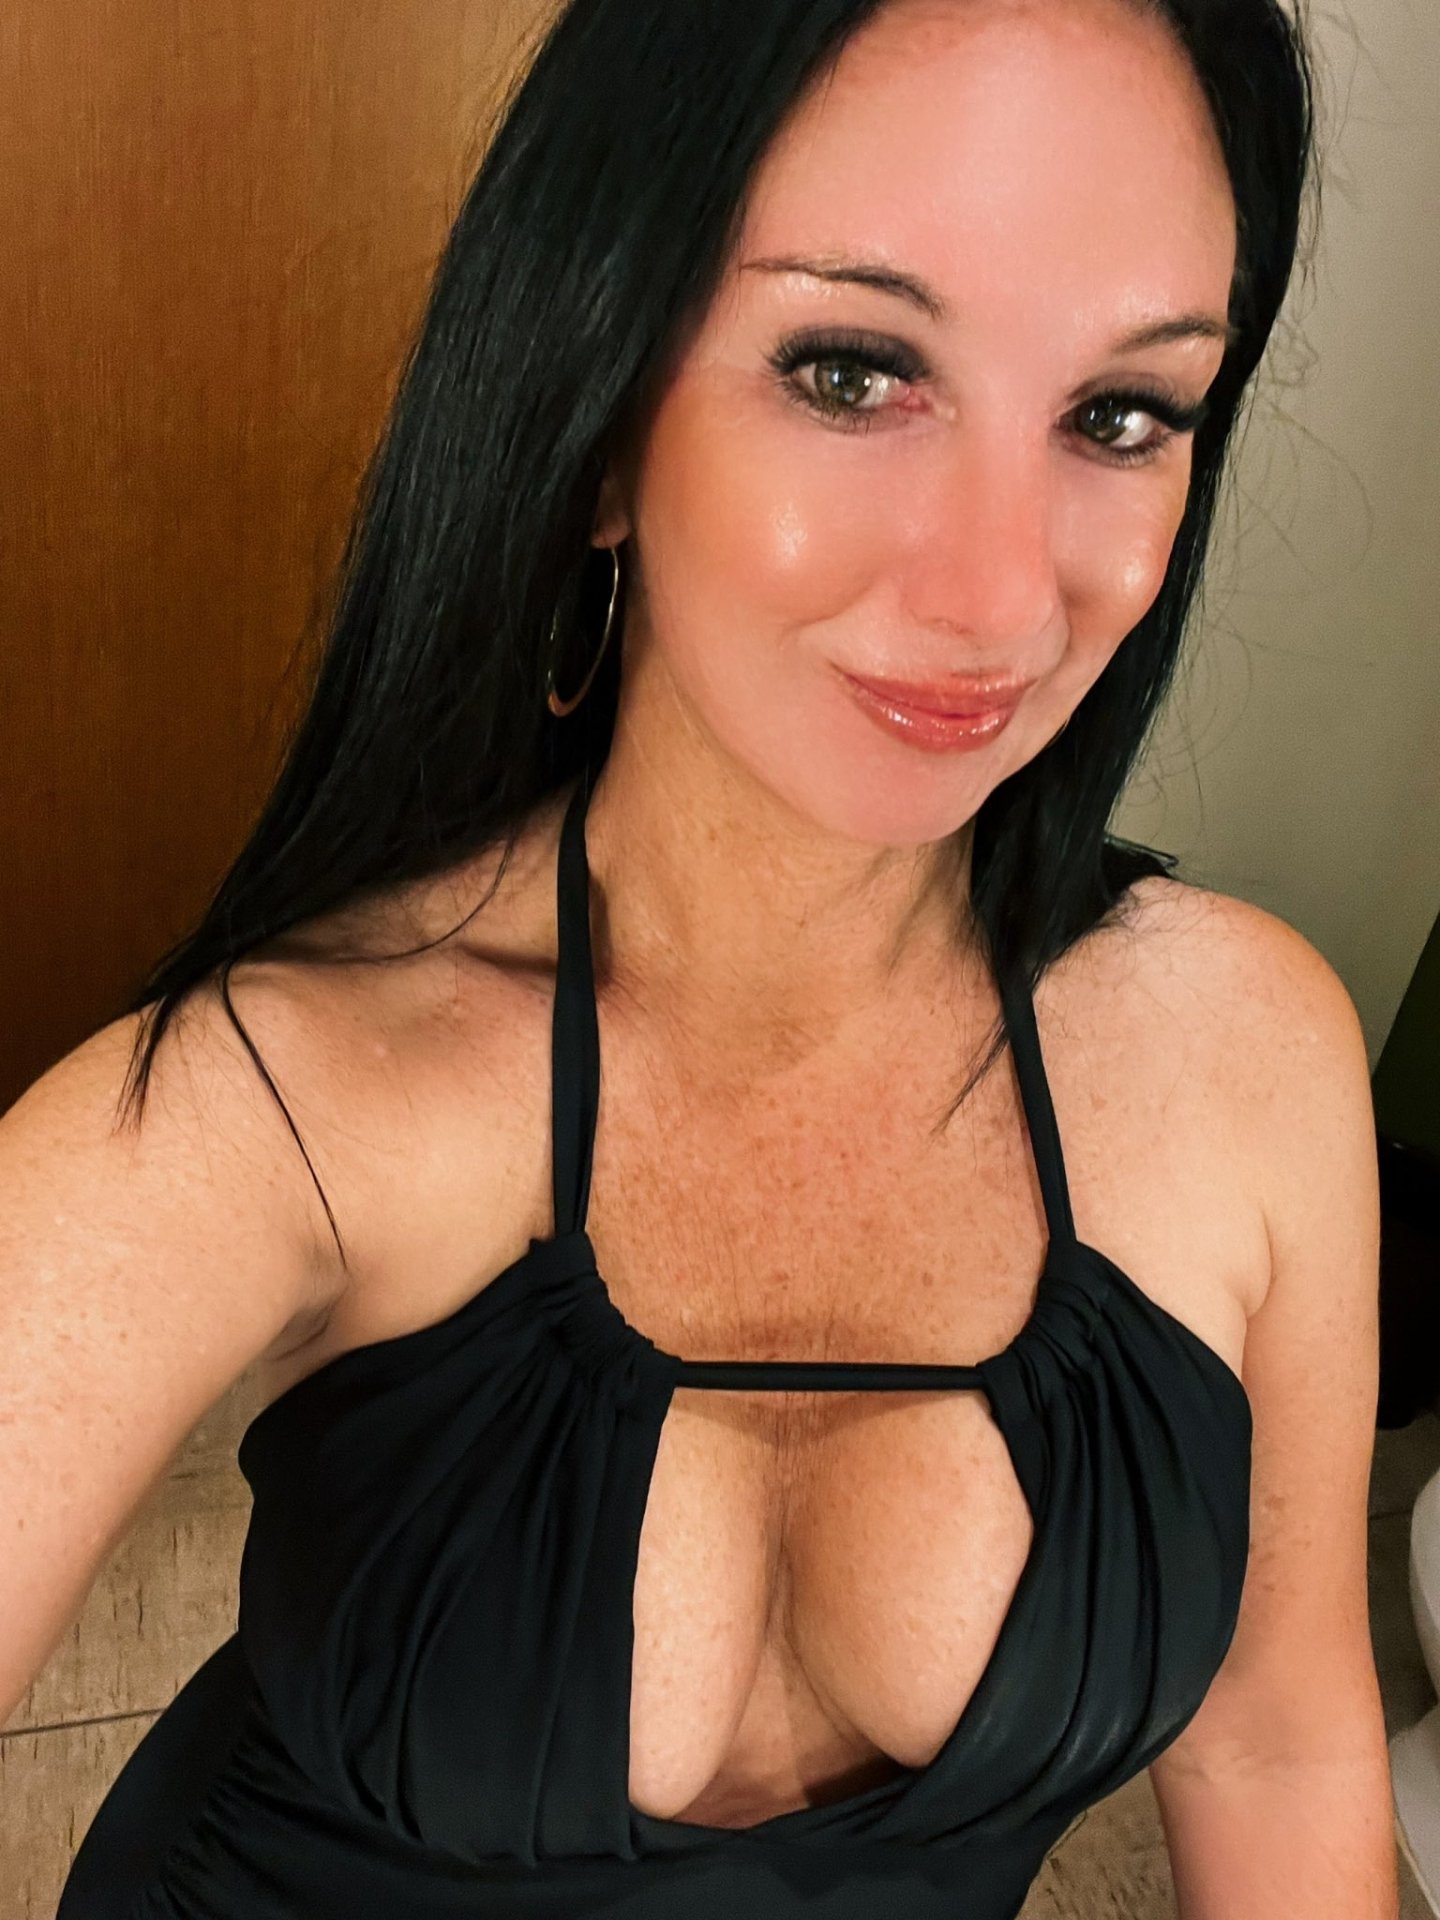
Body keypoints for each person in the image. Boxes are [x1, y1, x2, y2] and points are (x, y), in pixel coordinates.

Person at [1, 0, 1398, 1913]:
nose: (1002, 593)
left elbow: (1278, 1738)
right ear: (594, 417)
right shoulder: (280, 1104)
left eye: (1118, 415)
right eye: (852, 371)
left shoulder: (1243, 1055)